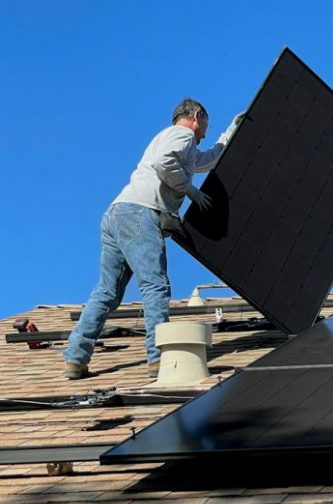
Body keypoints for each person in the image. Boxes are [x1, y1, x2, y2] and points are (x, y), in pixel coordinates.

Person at [64, 98, 243, 379]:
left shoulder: (173, 140)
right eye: (206, 126)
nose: (205, 133)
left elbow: (208, 160)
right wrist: (190, 191)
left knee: (106, 292)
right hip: (140, 213)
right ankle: (158, 359)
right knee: (155, 286)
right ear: (196, 116)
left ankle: (75, 357)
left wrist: (230, 133)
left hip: (117, 214)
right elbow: (164, 163)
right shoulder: (182, 135)